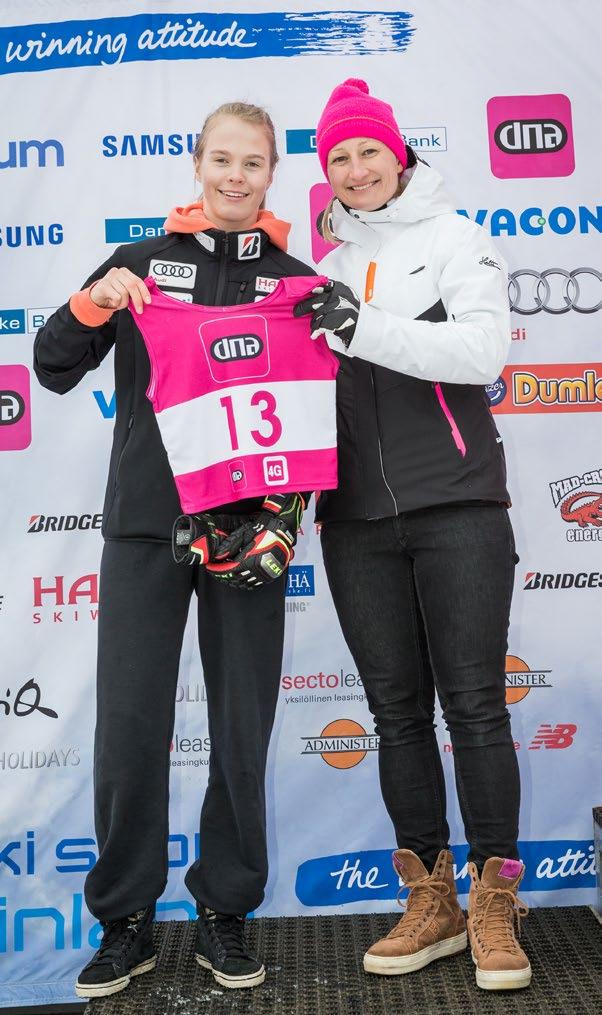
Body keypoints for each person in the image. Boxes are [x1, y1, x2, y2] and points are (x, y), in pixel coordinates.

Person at [34, 102, 317, 998]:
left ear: (272, 173)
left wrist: (285, 517)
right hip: (146, 526)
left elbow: (316, 418)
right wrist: (94, 301)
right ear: (197, 164)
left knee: (241, 726)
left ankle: (225, 907)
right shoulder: (140, 261)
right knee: (129, 724)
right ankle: (125, 919)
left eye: (253, 163)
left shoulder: (296, 279)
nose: (236, 176)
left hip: (249, 532)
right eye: (221, 159)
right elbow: (51, 363)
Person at [294, 78, 531, 992]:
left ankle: (495, 900)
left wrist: (362, 325)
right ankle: (431, 897)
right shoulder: (322, 263)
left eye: (369, 151)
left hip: (458, 503)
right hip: (355, 517)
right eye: (339, 157)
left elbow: (481, 353)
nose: (356, 169)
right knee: (396, 711)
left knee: (474, 705)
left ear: (398, 155)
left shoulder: (454, 238)